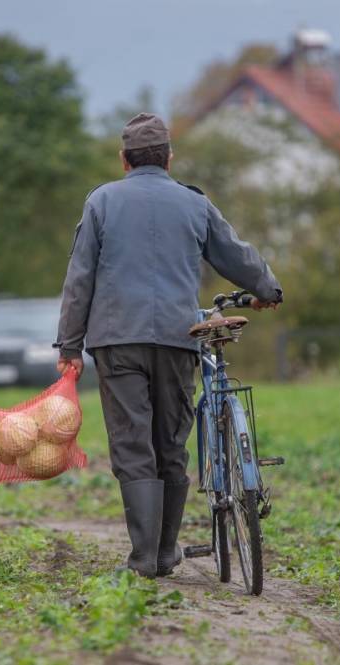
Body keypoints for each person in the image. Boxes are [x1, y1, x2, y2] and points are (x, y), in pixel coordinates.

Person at [54, 113, 282, 578]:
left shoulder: (101, 202)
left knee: (133, 442)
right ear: (169, 158)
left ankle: (144, 556)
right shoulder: (194, 204)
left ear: (124, 160)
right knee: (171, 443)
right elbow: (233, 253)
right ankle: (165, 551)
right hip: (180, 340)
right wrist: (267, 288)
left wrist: (69, 345)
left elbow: (79, 278)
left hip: (117, 341)